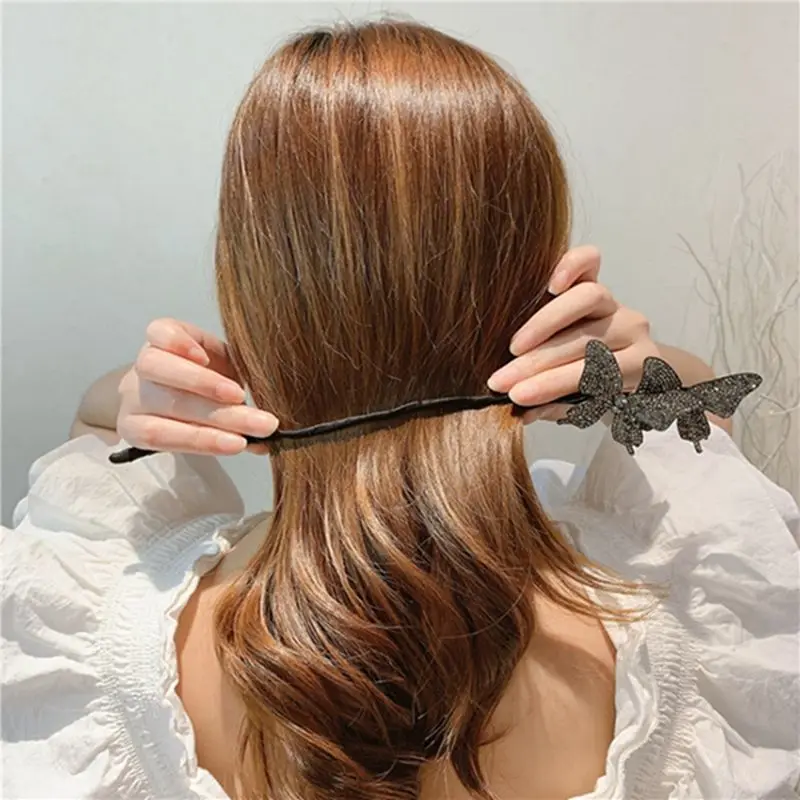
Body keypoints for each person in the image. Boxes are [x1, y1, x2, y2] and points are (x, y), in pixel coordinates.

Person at [2, 19, 798, 800]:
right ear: (534, 281)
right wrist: (643, 375)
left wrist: (138, 395)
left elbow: (96, 436)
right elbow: (708, 420)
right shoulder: (697, 622)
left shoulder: (97, 645)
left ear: (254, 284)